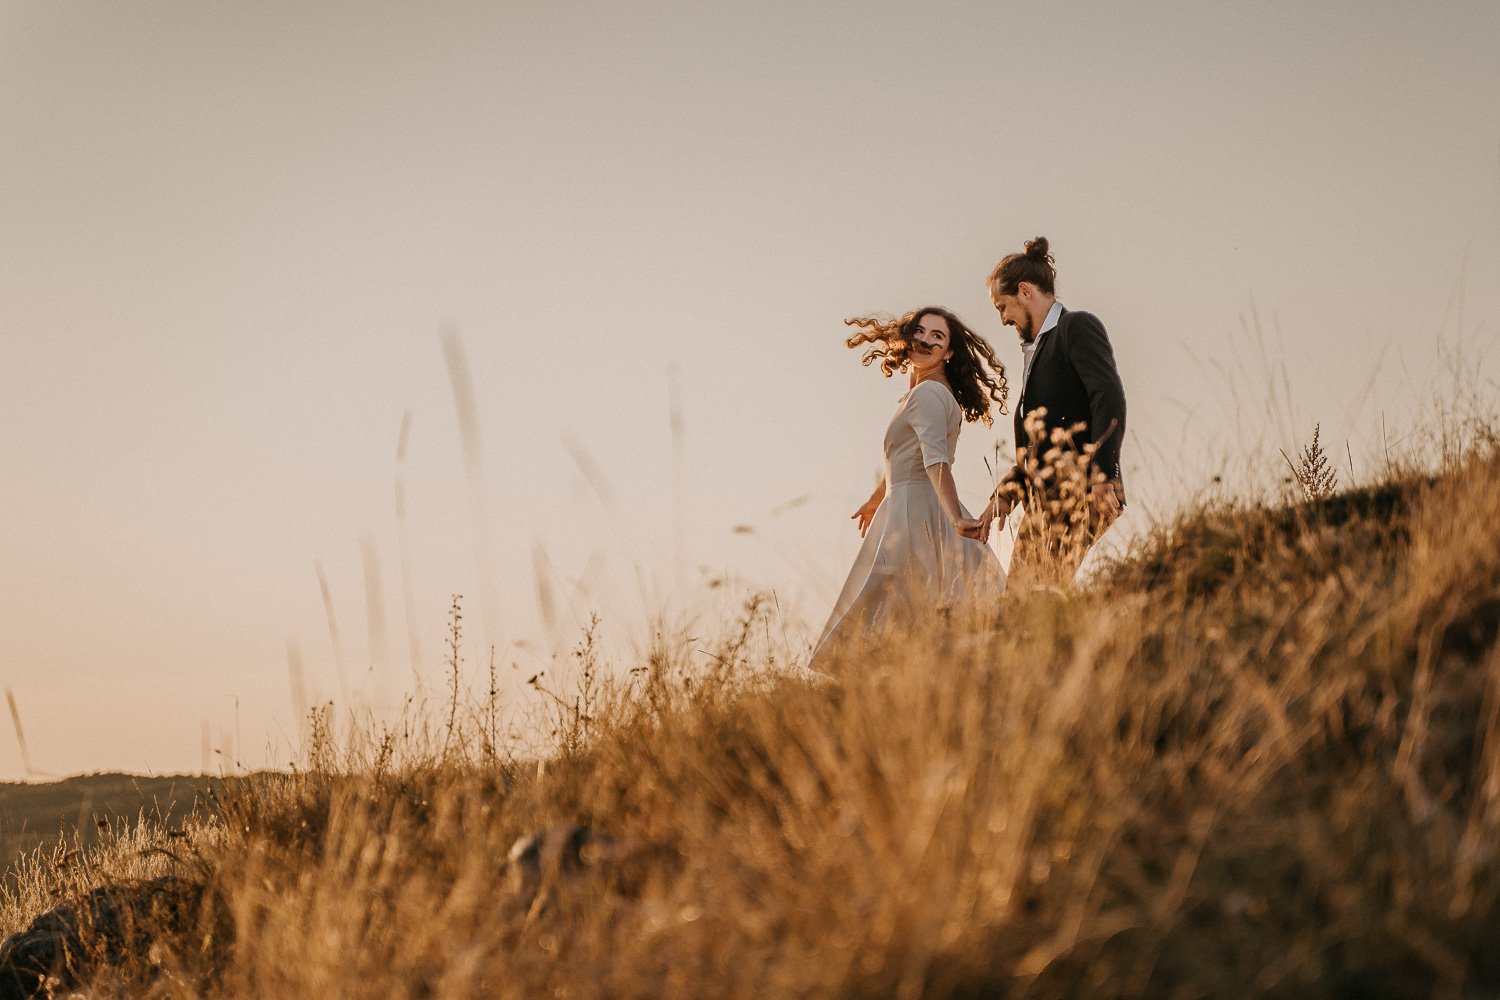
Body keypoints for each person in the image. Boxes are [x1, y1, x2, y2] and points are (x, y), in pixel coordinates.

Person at [811, 306, 1009, 662]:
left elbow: (936, 463)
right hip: (904, 504)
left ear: (949, 352)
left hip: (914, 513)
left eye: (937, 337)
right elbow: (907, 457)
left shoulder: (928, 394)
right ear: (907, 337)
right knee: (912, 613)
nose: (926, 340)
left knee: (895, 613)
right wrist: (876, 499)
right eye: (920, 332)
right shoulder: (926, 393)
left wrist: (955, 518)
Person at [969, 237, 1127, 584]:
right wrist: (1004, 498)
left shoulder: (1076, 327)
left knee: (1031, 597)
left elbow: (1108, 396)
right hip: (1046, 499)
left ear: (1025, 291)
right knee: (1029, 601)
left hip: (1080, 488)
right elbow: (1039, 446)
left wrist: (1103, 474)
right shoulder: (1038, 349)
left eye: (1002, 306)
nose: (1003, 318)